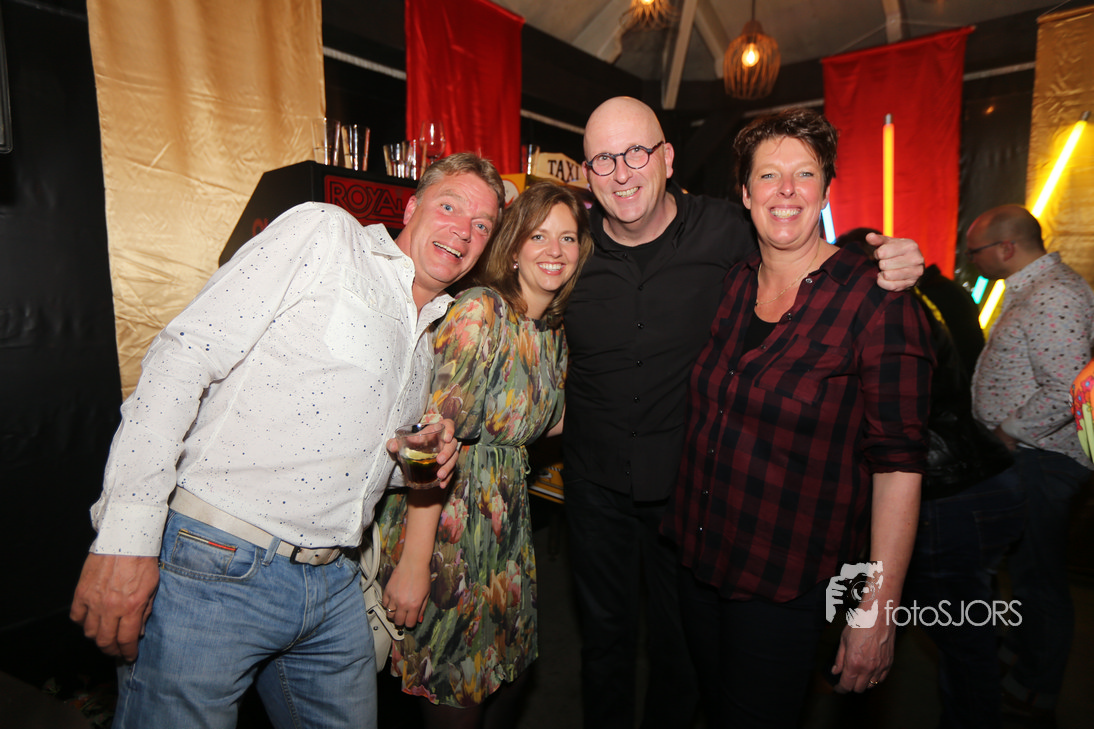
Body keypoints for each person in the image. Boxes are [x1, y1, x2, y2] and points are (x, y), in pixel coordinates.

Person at [68, 153, 506, 729]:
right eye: (450, 206)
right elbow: (184, 356)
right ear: (411, 207)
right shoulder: (327, 235)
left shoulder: (423, 338)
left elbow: (358, 456)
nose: (463, 230)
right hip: (218, 563)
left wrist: (414, 457)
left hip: (334, 580)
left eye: (481, 225)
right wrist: (126, 537)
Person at [561, 95, 926, 729]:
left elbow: (897, 458)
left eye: (637, 153)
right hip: (633, 504)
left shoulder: (734, 236)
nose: (622, 172)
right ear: (586, 174)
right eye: (604, 160)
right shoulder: (576, 250)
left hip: (722, 522)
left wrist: (894, 258)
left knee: (683, 665)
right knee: (608, 647)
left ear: (668, 158)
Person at [662, 107, 933, 728]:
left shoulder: (875, 300)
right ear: (745, 193)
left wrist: (878, 607)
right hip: (698, 560)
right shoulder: (733, 285)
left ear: (826, 190)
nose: (786, 190)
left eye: (804, 173)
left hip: (784, 579)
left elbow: (899, 466)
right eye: (768, 175)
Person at [375, 181, 593, 728]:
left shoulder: (551, 333)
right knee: (454, 700)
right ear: (513, 246)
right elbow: (427, 440)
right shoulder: (481, 311)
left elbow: (548, 418)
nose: (554, 250)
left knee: (503, 683)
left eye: (568, 238)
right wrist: (415, 564)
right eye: (538, 235)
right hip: (445, 525)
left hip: (505, 527)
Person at [840, 227, 1025, 729]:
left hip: (948, 492)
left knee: (960, 639)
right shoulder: (913, 303)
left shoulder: (892, 314)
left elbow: (895, 423)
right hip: (968, 482)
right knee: (930, 617)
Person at [965, 204, 1094, 724]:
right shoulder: (1033, 287)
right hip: (1028, 456)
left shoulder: (1054, 295)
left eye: (975, 252)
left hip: (1041, 458)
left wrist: (1007, 433)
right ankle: (1021, 654)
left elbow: (1067, 391)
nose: (971, 261)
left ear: (1006, 248)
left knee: (1039, 580)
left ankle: (1037, 689)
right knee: (1024, 572)